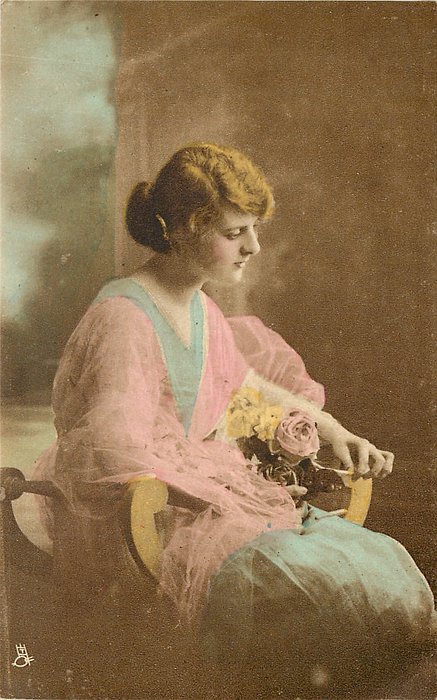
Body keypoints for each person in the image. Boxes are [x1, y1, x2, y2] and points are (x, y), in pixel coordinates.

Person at [34, 143, 435, 692]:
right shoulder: (123, 317)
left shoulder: (200, 308)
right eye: (234, 232)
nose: (253, 246)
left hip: (207, 500)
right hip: (152, 511)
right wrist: (218, 493)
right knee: (319, 600)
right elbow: (113, 447)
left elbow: (245, 391)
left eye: (253, 229)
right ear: (180, 229)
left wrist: (332, 429)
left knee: (372, 580)